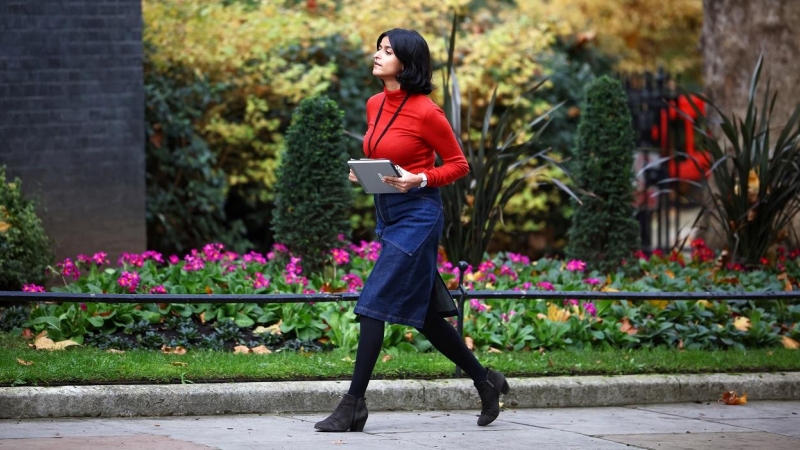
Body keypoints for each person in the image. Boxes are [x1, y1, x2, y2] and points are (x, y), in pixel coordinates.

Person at [314, 28, 510, 433]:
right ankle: (486, 380)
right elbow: (384, 155)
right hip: (387, 214)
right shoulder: (374, 104)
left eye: (387, 51)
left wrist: (419, 179)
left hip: (418, 216)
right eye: (378, 48)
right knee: (425, 317)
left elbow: (459, 165)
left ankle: (353, 404)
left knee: (372, 304)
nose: (377, 54)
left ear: (406, 62)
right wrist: (366, 175)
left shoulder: (427, 111)